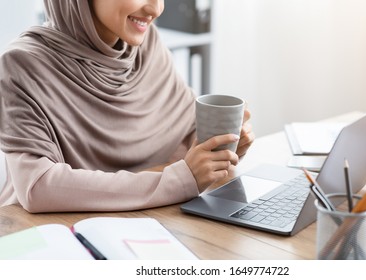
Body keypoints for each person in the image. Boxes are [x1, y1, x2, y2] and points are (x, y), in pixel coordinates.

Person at [0, 0, 254, 212]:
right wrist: (179, 181)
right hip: (47, 238)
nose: (156, 8)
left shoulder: (145, 46)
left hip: (146, 226)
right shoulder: (22, 64)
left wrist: (219, 150)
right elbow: (37, 187)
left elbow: (182, 142)